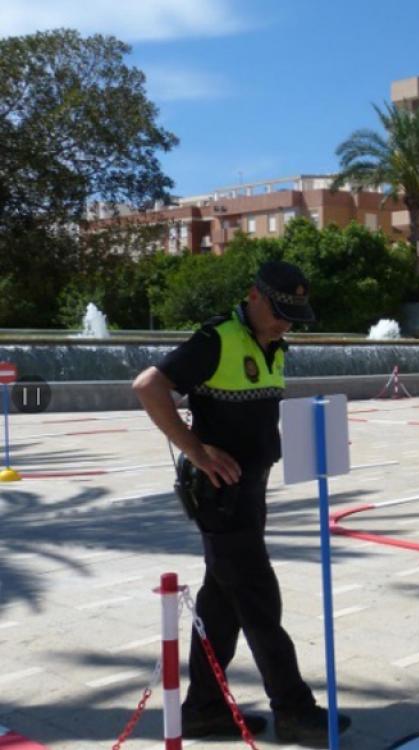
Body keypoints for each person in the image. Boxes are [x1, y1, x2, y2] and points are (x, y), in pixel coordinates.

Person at [132, 261, 351, 746]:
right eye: (280, 311)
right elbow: (148, 387)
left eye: (294, 314)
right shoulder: (216, 339)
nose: (286, 323)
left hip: (251, 490)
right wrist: (196, 449)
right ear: (254, 295)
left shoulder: (273, 344)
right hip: (220, 496)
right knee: (258, 598)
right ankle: (293, 708)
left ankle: (205, 710)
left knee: (223, 603)